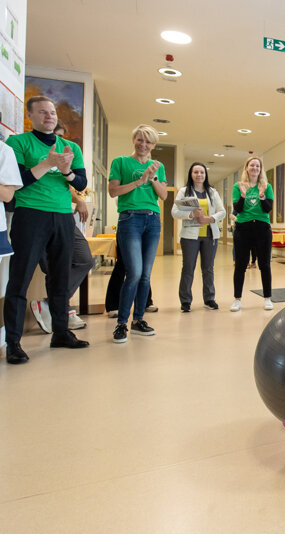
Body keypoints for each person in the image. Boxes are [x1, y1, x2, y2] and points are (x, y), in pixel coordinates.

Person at [3, 96, 90, 364]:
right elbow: (16, 181)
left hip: (63, 215)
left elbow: (81, 182)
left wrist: (66, 171)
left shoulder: (70, 147)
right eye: (42, 112)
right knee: (20, 278)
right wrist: (48, 163)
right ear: (30, 116)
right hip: (30, 214)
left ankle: (61, 333)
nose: (49, 116)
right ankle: (13, 343)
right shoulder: (18, 143)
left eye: (52, 112)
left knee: (60, 278)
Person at [29, 119, 94, 333]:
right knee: (53, 267)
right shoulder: (32, 151)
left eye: (60, 136)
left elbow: (74, 183)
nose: (56, 141)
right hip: (37, 213)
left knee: (84, 259)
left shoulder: (67, 155)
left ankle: (52, 304)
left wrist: (79, 200)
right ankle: (62, 310)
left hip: (63, 214)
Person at [107, 124, 168, 343]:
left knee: (145, 275)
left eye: (148, 141)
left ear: (154, 145)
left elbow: (163, 196)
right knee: (133, 272)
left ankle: (138, 320)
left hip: (152, 220)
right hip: (130, 218)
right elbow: (113, 191)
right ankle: (121, 323)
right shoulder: (120, 162)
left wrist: (152, 177)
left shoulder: (158, 167)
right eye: (140, 139)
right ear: (133, 140)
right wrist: (139, 181)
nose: (144, 145)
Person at [171, 162, 226, 312]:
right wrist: (191, 214)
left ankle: (209, 299)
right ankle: (185, 301)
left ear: (205, 175)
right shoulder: (184, 191)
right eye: (195, 172)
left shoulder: (212, 192)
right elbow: (174, 212)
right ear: (191, 174)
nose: (199, 175)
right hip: (190, 236)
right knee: (188, 268)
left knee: (208, 269)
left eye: (202, 172)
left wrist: (210, 219)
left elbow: (222, 211)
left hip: (209, 235)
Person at [230, 156, 274, 312]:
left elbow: (267, 208)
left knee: (265, 264)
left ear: (260, 169)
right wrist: (243, 195)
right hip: (243, 228)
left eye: (257, 166)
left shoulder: (266, 186)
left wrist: (262, 195)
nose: (255, 168)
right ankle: (237, 299)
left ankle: (267, 298)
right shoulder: (238, 186)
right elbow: (238, 209)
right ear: (246, 168)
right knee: (240, 265)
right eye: (252, 165)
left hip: (262, 228)